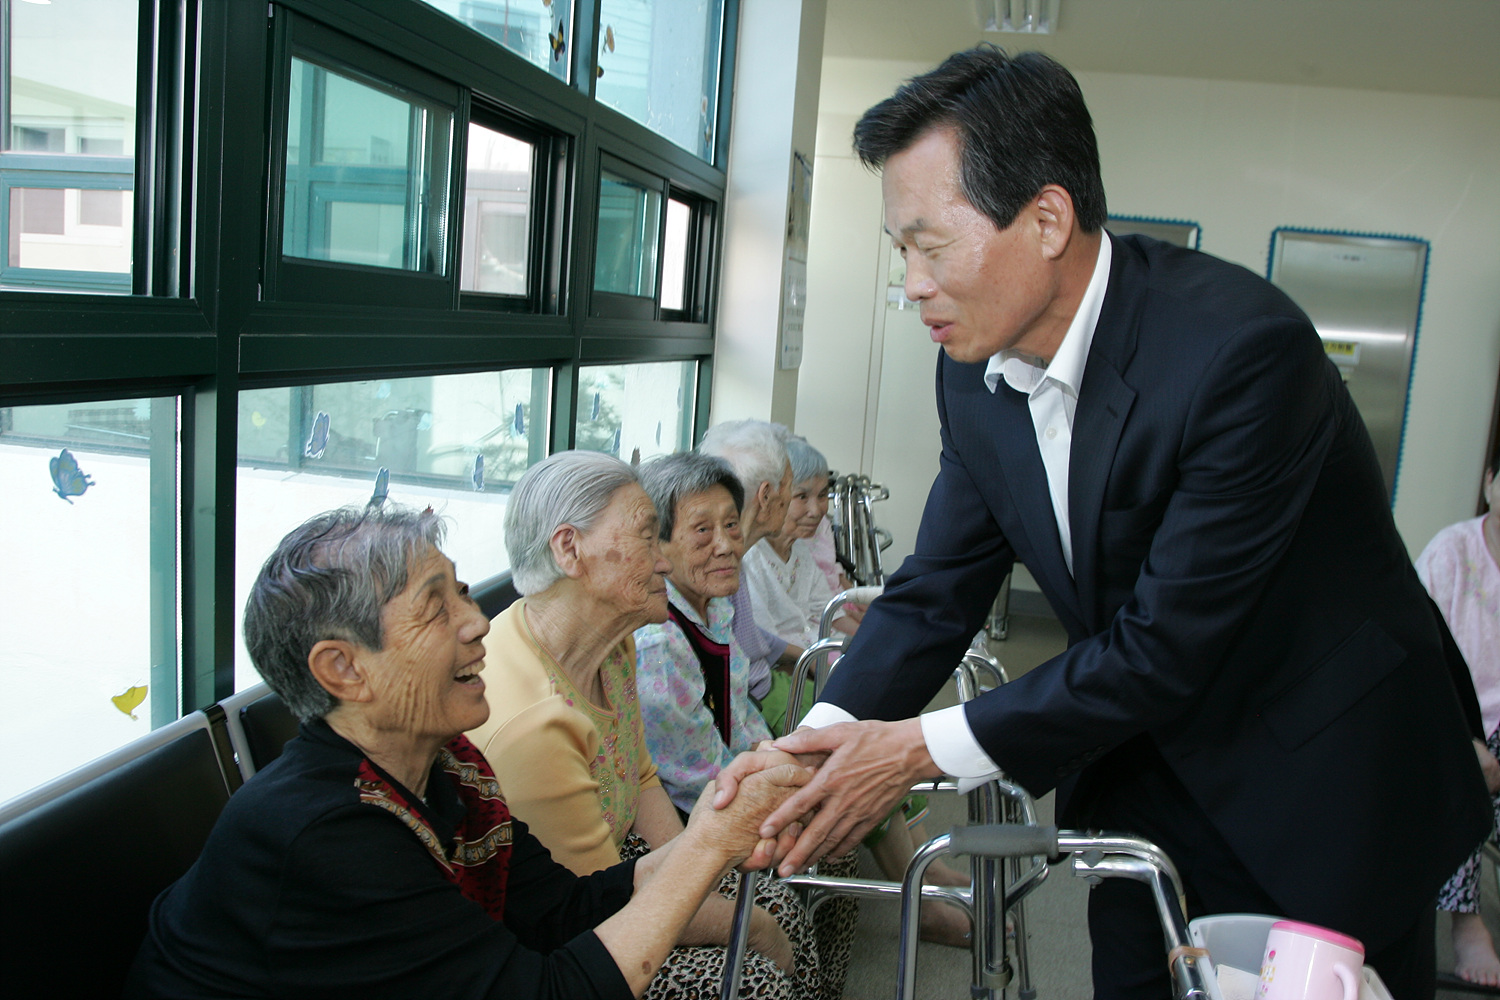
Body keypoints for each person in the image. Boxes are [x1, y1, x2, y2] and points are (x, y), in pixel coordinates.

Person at [715, 46, 1491, 1000]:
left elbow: (1164, 646)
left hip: (1324, 770)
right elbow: (936, 590)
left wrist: (915, 750)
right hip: (1146, 763)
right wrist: (814, 745)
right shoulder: (972, 370)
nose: (911, 284)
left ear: (1046, 218)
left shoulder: (1242, 357)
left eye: (931, 246)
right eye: (898, 253)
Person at [124, 503, 809, 1000]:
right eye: (436, 608)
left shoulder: (447, 767)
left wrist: (716, 825)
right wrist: (713, 840)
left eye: (460, 592)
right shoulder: (325, 831)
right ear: (343, 669)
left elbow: (561, 909)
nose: (479, 622)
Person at [464, 451, 825, 1000]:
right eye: (648, 537)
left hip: (613, 864)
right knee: (756, 966)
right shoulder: (534, 723)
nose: (664, 561)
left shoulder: (612, 644)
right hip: (566, 936)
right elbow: (589, 905)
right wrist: (742, 922)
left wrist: (695, 861)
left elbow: (643, 776)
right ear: (569, 549)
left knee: (774, 902)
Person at [632, 452, 860, 996]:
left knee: (837, 832)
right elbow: (698, 775)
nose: (727, 544)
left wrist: (790, 773)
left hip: (729, 791)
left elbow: (744, 721)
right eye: (702, 530)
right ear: (659, 546)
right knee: (821, 845)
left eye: (731, 525)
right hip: (683, 821)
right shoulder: (659, 640)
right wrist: (789, 797)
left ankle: (820, 986)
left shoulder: (712, 608)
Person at [1416, 450, 1500, 987]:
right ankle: (1467, 925)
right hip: (1451, 725)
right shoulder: (1452, 554)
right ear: (1490, 483)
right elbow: (1418, 660)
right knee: (1460, 771)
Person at [697, 420, 805, 736]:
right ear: (767, 495)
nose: (791, 496)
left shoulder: (734, 556)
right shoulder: (715, 572)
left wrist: (808, 657)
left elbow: (743, 633)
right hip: (752, 707)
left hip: (761, 689)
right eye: (790, 484)